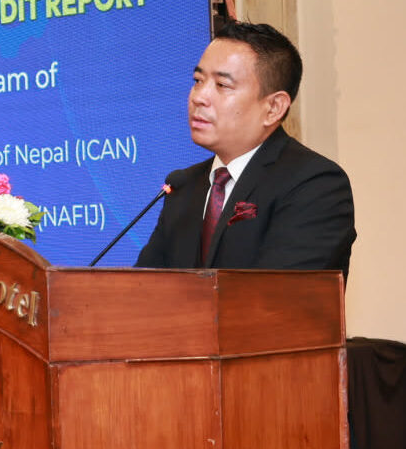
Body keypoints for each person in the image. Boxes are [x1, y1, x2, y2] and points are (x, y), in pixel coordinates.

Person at [135, 21, 356, 277]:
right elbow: (143, 290)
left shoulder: (314, 184)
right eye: (198, 80)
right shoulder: (183, 187)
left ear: (273, 108)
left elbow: (277, 294)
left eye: (222, 85)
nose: (198, 97)